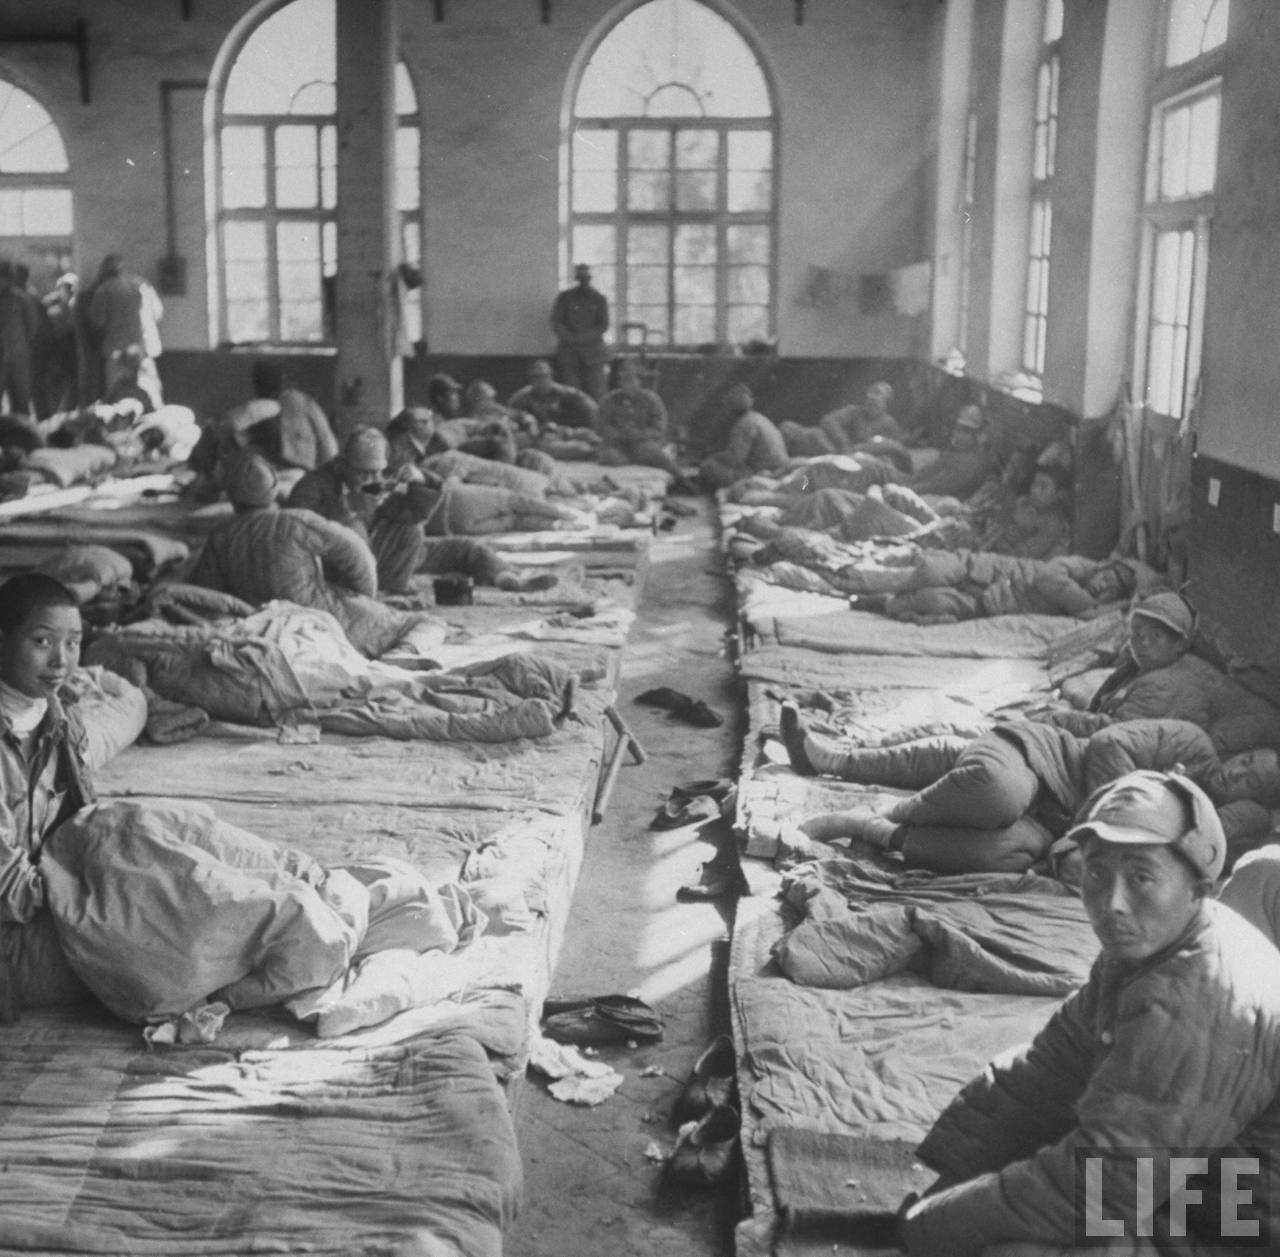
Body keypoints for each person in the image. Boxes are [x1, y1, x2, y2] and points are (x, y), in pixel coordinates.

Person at [897, 770, 1280, 1255]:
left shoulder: (1196, 998)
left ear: (1197, 887)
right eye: (1097, 874)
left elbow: (1107, 1189)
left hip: (1241, 1217)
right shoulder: (1151, 945)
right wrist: (953, 1179)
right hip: (1195, 1170)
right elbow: (1048, 1068)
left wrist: (938, 1225)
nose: (1112, 903)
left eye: (1141, 877)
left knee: (1016, 1249)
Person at [778, 705, 1276, 875]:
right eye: (1246, 761)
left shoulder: (1208, 816)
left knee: (999, 856)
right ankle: (887, 802)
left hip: (1047, 824)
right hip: (1045, 761)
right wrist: (1096, 825)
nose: (1239, 772)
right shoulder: (1192, 741)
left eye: (1253, 780)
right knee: (996, 792)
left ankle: (867, 825)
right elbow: (1109, 743)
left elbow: (1215, 846)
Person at [0, 574, 138, 1010]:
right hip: (12, 931)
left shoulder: (59, 719)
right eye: (42, 641)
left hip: (48, 901)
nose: (61, 661)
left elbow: (80, 823)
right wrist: (96, 891)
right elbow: (6, 889)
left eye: (73, 643)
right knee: (158, 946)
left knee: (172, 846)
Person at [188, 453, 444, 659]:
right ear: (274, 488)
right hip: (317, 614)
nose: (373, 478)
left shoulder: (220, 535)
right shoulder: (297, 518)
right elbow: (357, 554)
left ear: (231, 496)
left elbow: (205, 593)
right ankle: (399, 658)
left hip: (259, 621)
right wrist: (360, 597)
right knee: (426, 624)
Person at [287, 428, 558, 596]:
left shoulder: (379, 479)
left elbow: (413, 514)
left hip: (385, 553)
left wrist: (421, 480)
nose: (372, 479)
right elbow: (294, 537)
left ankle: (507, 578)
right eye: (363, 473)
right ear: (343, 463)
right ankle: (392, 590)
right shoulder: (313, 487)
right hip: (341, 568)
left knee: (461, 548)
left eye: (377, 472)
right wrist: (348, 512)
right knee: (380, 530)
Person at [1043, 591, 1280, 754]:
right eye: (1137, 633)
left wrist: (1053, 719)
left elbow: (1117, 732)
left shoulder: (1169, 682)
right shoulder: (1157, 666)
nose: (1143, 643)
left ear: (1180, 644)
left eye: (1156, 636)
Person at [87, 253, 164, 408]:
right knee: (152, 394)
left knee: (117, 398)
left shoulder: (104, 290)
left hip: (117, 351)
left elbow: (98, 320)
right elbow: (158, 313)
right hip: (144, 349)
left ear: (104, 272)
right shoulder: (142, 285)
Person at [595, 357, 688, 483]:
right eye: (623, 380)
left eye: (631, 379)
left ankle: (681, 479)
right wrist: (618, 434)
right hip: (617, 445)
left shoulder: (651, 400)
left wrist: (638, 434)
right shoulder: (609, 400)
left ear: (639, 380)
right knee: (609, 457)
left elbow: (659, 429)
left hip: (643, 443)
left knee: (652, 453)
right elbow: (601, 426)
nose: (627, 384)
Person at [699, 384, 789, 489]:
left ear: (731, 407)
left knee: (707, 466)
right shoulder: (758, 418)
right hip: (779, 469)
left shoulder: (743, 424)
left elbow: (736, 459)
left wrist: (714, 457)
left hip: (763, 473)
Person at [907, 404, 994, 499]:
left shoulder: (972, 461)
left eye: (965, 432)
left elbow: (940, 486)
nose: (958, 435)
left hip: (944, 500)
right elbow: (931, 469)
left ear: (977, 436)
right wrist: (909, 482)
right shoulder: (960, 451)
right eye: (958, 430)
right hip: (932, 491)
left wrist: (909, 489)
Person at [550, 262, 609, 400]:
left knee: (597, 391)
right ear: (576, 278)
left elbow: (603, 325)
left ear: (590, 278)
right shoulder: (565, 298)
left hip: (594, 354)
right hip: (569, 353)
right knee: (571, 393)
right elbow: (556, 321)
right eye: (580, 277)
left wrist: (584, 338)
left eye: (586, 277)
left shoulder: (599, 299)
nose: (583, 281)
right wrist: (569, 338)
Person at [0, 260, 38, 416]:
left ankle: (21, 430)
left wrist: (18, 344)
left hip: (17, 358)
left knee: (21, 401)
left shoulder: (21, 299)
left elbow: (32, 326)